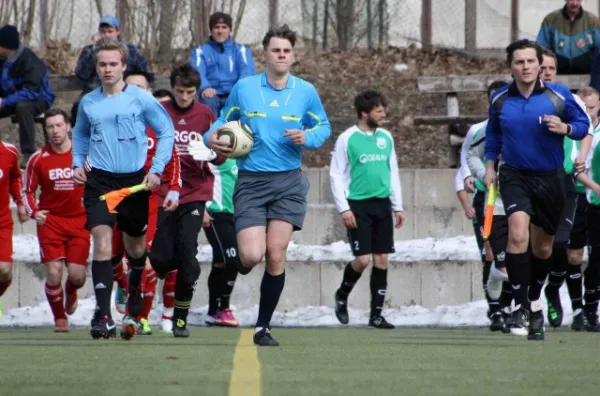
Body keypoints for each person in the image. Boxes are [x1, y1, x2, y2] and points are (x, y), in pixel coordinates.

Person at [204, 24, 331, 346]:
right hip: (251, 182)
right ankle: (244, 263)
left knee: (276, 254)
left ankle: (263, 327)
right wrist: (212, 138)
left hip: (288, 182)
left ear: (293, 55)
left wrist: (309, 137)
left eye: (286, 51)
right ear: (265, 53)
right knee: (250, 256)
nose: (281, 55)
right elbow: (221, 120)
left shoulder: (305, 91)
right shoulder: (245, 89)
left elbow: (323, 125)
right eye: (276, 50)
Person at [484, 39, 590, 341]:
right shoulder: (501, 100)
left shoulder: (558, 96)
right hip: (515, 176)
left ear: (538, 65)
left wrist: (567, 129)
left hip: (552, 179)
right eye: (520, 62)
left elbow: (584, 124)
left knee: (542, 248)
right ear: (511, 67)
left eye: (531, 61)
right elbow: (493, 135)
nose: (526, 67)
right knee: (517, 235)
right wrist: (491, 164)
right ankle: (519, 304)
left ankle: (534, 302)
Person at [72, 37, 175, 340]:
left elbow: (166, 132)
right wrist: (79, 163)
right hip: (100, 182)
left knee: (135, 248)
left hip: (134, 183)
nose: (107, 69)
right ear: (97, 67)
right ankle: (103, 316)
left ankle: (133, 294)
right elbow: (79, 135)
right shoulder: (88, 102)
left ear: (123, 66)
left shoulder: (141, 99)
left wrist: (156, 170)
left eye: (113, 64)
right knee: (102, 244)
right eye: (102, 64)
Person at [149, 63, 224, 338]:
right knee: (160, 258)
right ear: (172, 88)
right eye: (179, 91)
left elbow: (220, 154)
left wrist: (212, 154)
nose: (184, 97)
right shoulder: (159, 112)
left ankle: (180, 317)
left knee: (188, 257)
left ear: (196, 91)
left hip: (193, 193)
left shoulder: (205, 114)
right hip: (163, 192)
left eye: (189, 92)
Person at [109, 73, 181, 336]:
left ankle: (136, 316)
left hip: (147, 200)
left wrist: (173, 188)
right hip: (116, 196)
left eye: (141, 88)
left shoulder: (159, 123)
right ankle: (121, 285)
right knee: (112, 254)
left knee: (141, 259)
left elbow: (173, 158)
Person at [329, 89, 404, 329]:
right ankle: (342, 295)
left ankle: (376, 315)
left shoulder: (386, 137)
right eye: (378, 111)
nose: (384, 114)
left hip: (382, 204)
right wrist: (344, 209)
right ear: (364, 113)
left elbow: (392, 172)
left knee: (382, 259)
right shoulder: (347, 138)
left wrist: (397, 205)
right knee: (362, 260)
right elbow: (336, 175)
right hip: (358, 206)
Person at [22, 109, 90, 332]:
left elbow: (99, 183)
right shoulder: (38, 159)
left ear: (68, 126)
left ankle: (71, 290)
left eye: (59, 125)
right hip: (51, 221)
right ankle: (60, 318)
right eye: (50, 127)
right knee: (53, 271)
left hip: (80, 221)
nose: (55, 131)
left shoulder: (85, 156)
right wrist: (34, 212)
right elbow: (27, 190)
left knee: (78, 276)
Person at [545, 86, 600, 331]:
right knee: (573, 256)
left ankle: (589, 308)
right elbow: (574, 167)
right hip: (574, 196)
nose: (587, 113)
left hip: (592, 201)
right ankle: (576, 308)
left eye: (592, 108)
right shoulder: (569, 130)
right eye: (584, 108)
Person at [464, 80, 513, 333]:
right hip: (490, 200)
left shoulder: (524, 124)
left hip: (524, 198)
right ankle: (496, 311)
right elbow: (467, 160)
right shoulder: (480, 130)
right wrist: (484, 176)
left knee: (524, 255)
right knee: (493, 256)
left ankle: (513, 312)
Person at [72, 15, 154, 126]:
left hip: (123, 93)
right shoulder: (90, 50)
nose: (106, 35)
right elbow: (81, 74)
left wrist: (138, 84)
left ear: (117, 32)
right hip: (94, 93)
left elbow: (148, 72)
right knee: (79, 104)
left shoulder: (130, 50)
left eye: (110, 31)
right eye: (103, 32)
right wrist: (95, 49)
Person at [0, 25, 55, 166]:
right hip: (12, 99)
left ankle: (29, 154)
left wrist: (4, 101)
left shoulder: (31, 61)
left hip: (39, 98)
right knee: (19, 105)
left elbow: (31, 91)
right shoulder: (3, 59)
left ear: (6, 46)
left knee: (23, 107)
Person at [190, 12, 255, 118]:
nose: (220, 31)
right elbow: (197, 72)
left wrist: (237, 90)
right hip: (212, 93)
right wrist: (205, 87)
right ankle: (210, 133)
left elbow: (247, 72)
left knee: (245, 100)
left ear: (230, 30)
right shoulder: (200, 51)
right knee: (207, 101)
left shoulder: (241, 50)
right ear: (211, 30)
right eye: (216, 27)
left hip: (234, 92)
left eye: (224, 27)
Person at [203, 158, 241, 327]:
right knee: (232, 260)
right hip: (216, 213)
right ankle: (223, 308)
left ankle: (212, 311)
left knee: (220, 262)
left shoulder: (242, 151)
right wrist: (202, 208)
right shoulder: (212, 152)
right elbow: (196, 177)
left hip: (238, 214)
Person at [536, 0, 600, 75]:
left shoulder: (593, 22)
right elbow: (541, 49)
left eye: (578, 0)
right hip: (556, 75)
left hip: (587, 76)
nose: (574, 3)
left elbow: (599, 51)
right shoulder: (550, 20)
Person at [0, 139, 26, 319]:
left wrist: (20, 202)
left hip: (1, 221)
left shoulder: (9, 152)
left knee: (4, 270)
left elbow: (15, 178)